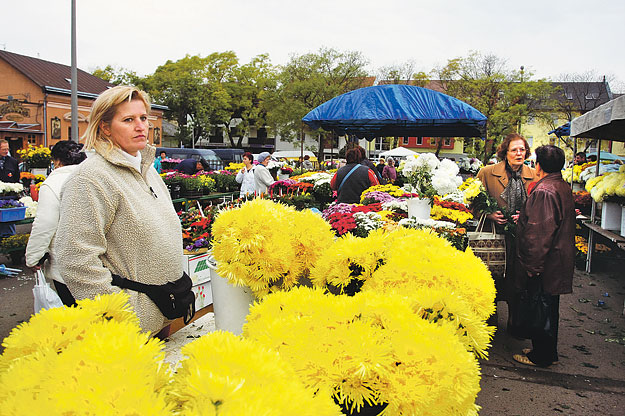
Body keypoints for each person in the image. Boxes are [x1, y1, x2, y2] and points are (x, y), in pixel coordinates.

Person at [54, 85, 186, 335]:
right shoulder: (90, 178)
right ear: (105, 127)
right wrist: (122, 318)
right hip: (131, 331)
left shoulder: (148, 169)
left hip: (162, 316)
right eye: (128, 120)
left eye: (143, 118)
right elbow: (75, 259)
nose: (141, 126)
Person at [512, 145, 575, 367]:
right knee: (549, 306)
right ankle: (547, 351)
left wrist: (533, 266)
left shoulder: (544, 190)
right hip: (556, 258)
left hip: (546, 261)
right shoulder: (560, 185)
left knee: (542, 306)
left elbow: (539, 234)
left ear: (538, 166)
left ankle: (541, 356)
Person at [475, 133, 536, 317]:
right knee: (491, 278)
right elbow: (471, 202)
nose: (519, 153)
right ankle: (489, 320)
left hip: (521, 239)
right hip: (493, 237)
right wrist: (489, 214)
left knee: (518, 282)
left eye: (522, 150)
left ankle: (516, 324)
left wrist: (525, 217)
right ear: (505, 152)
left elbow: (539, 207)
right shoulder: (487, 173)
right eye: (514, 150)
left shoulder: (534, 175)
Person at [25, 140, 86, 306]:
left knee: (76, 315)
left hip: (67, 263)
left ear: (57, 161)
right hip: (102, 262)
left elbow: (45, 224)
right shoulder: (95, 179)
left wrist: (33, 257)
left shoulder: (53, 183)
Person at [0, 139, 21, 238]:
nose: (6, 151)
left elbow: (16, 178)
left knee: (9, 223)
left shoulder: (13, 161)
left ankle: (9, 240)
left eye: (7, 149)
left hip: (9, 198)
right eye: (3, 149)